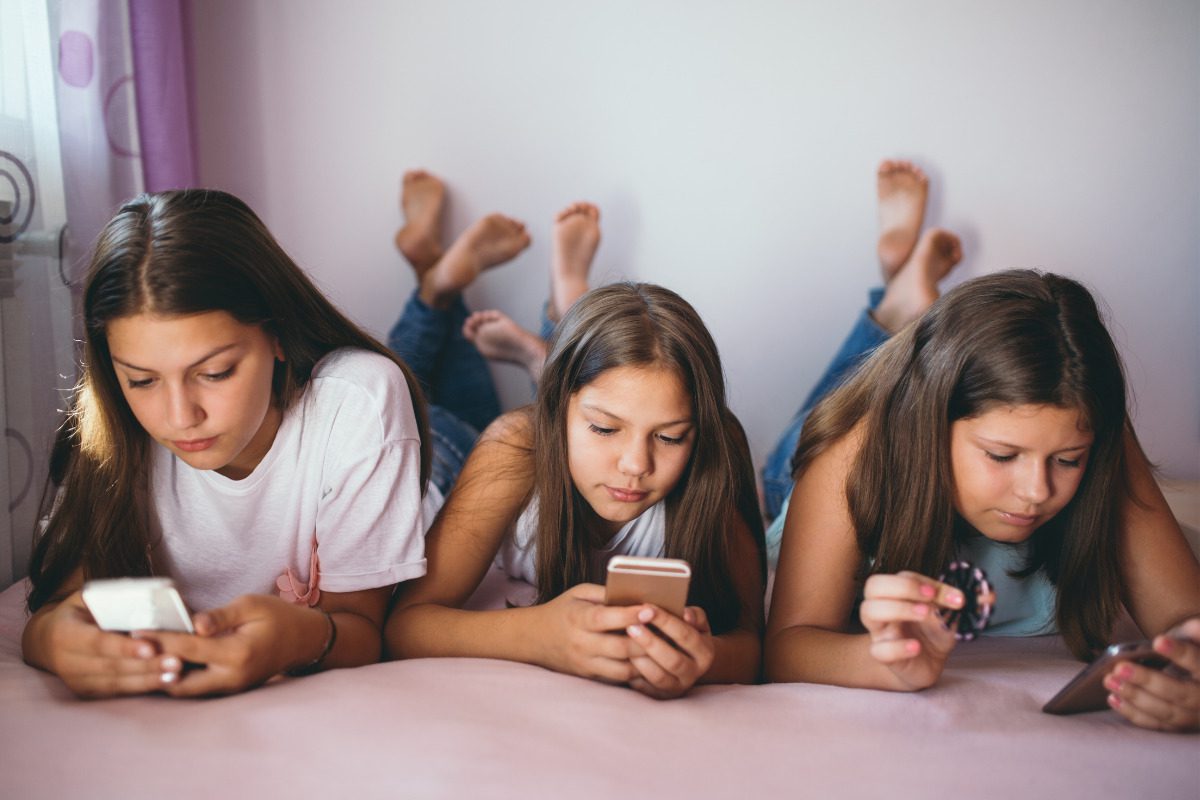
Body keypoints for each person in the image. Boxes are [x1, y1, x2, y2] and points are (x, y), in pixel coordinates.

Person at [763, 161, 1200, 733]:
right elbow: (787, 646)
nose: (1037, 491)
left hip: (925, 389)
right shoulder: (852, 455)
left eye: (1067, 460)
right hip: (821, 464)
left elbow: (1185, 619)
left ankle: (906, 303)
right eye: (1002, 455)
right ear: (929, 426)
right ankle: (895, 308)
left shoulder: (1098, 435)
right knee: (794, 452)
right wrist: (882, 663)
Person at [21, 189, 435, 698]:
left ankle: (436, 294)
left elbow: (362, 628)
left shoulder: (359, 399)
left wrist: (296, 639)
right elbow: (52, 612)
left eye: (215, 372)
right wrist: (54, 641)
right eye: (142, 380)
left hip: (414, 463)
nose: (180, 419)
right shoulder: (112, 428)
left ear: (278, 334)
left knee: (447, 397)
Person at [382, 172, 765, 698]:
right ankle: (435, 289)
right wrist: (539, 636)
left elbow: (751, 643)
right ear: (554, 410)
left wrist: (703, 657)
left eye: (671, 437)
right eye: (605, 429)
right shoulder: (516, 445)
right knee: (404, 394)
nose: (636, 465)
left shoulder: (717, 453)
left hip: (537, 429)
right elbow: (404, 625)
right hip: (452, 459)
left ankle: (518, 304)